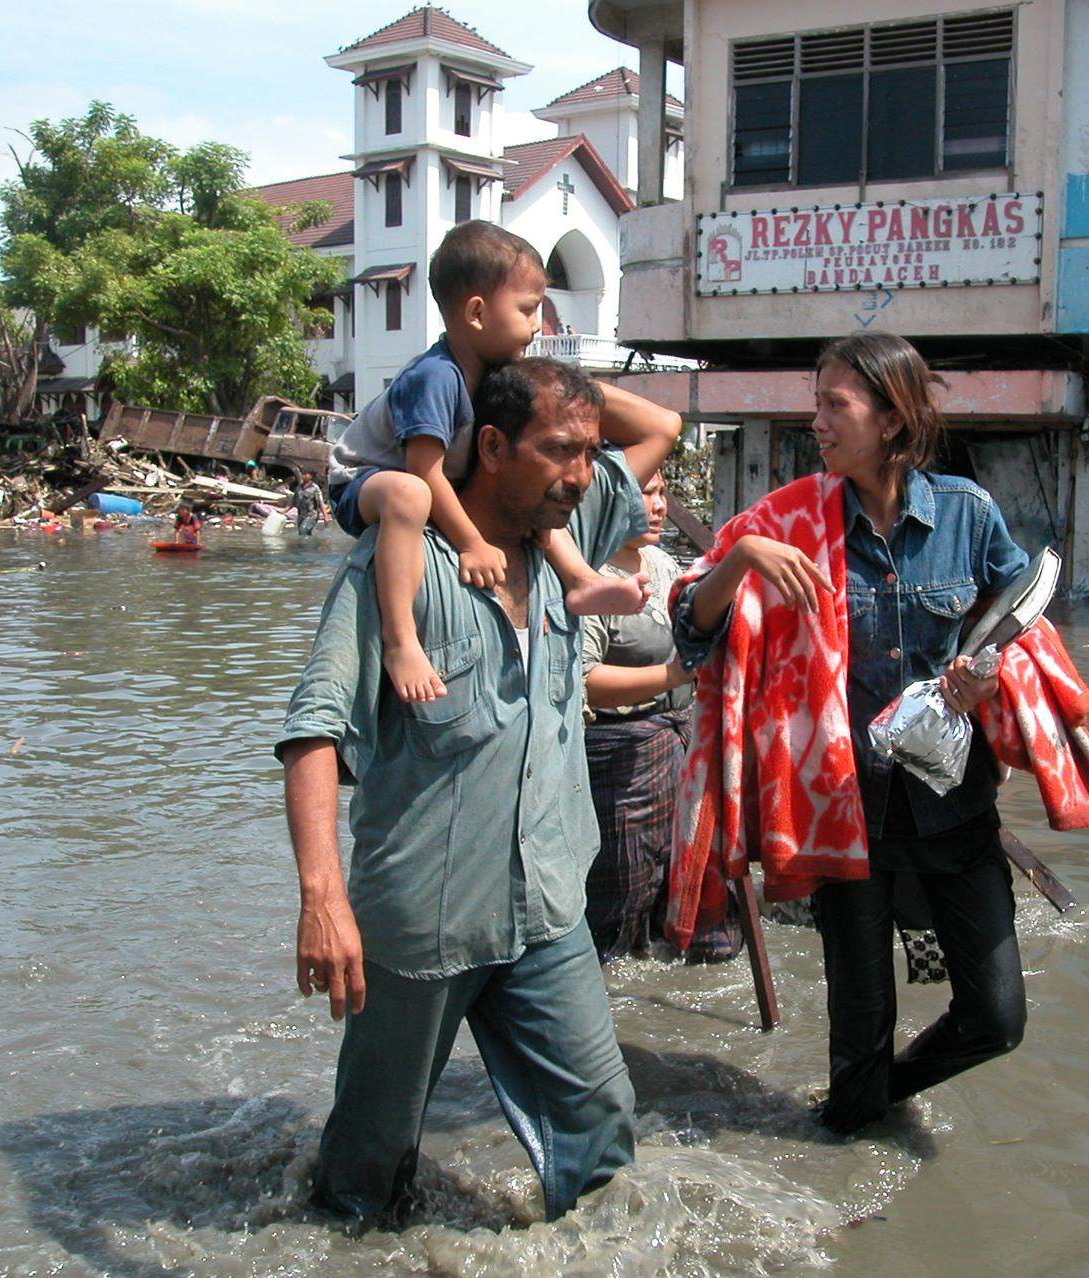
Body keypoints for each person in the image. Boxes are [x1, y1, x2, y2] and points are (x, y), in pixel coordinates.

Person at [279, 357, 681, 1221]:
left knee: (603, 1126)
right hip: (423, 922)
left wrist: (517, 365)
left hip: (545, 909)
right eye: (559, 451)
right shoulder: (400, 563)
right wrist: (321, 896)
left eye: (589, 453)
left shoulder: (570, 529)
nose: (583, 475)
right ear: (491, 446)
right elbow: (313, 730)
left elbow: (659, 429)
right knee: (368, 1175)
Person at [672, 332, 1032, 1135]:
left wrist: (989, 672)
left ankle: (866, 1100)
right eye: (816, 403)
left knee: (997, 1018)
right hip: (845, 817)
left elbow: (1021, 624)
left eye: (836, 404)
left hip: (955, 809)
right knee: (859, 1034)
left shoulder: (968, 517)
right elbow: (691, 630)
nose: (819, 423)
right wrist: (741, 559)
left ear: (893, 416)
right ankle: (856, 1118)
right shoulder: (787, 520)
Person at [324, 220, 646, 705]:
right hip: (363, 480)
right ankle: (402, 641)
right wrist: (472, 543)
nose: (539, 324)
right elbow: (423, 471)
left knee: (530, 496)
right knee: (409, 497)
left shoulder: (487, 372)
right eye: (528, 309)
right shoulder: (436, 377)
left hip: (425, 481)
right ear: (476, 312)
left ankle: (579, 579)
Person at [579, 470, 739, 962]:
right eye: (643, 493)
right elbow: (582, 681)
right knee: (622, 885)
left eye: (662, 492)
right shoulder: (590, 578)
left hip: (681, 742)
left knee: (686, 869)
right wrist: (676, 675)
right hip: (619, 754)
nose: (657, 505)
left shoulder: (664, 563)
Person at [294, 470, 329, 536]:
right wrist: (284, 511)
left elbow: (320, 503)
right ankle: (307, 545)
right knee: (301, 533)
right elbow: (293, 502)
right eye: (302, 474)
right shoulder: (298, 488)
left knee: (304, 530)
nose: (303, 476)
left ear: (311, 476)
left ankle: (309, 545)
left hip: (312, 515)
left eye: (305, 474)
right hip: (301, 515)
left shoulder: (315, 488)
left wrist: (325, 516)